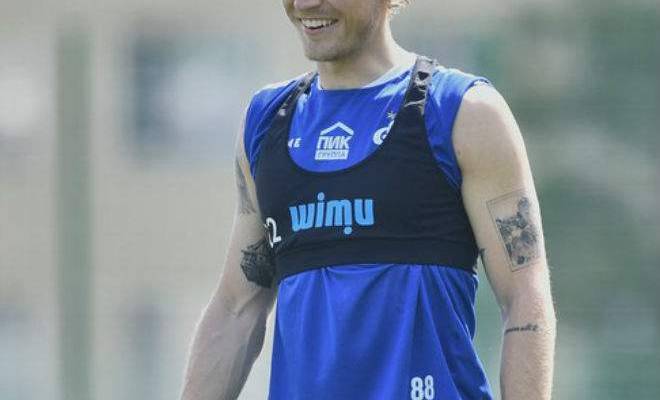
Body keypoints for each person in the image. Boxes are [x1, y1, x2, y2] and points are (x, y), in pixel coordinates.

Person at [180, 0, 556, 399]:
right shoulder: (266, 122)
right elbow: (236, 309)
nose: (305, 3)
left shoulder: (464, 111)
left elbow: (524, 297)